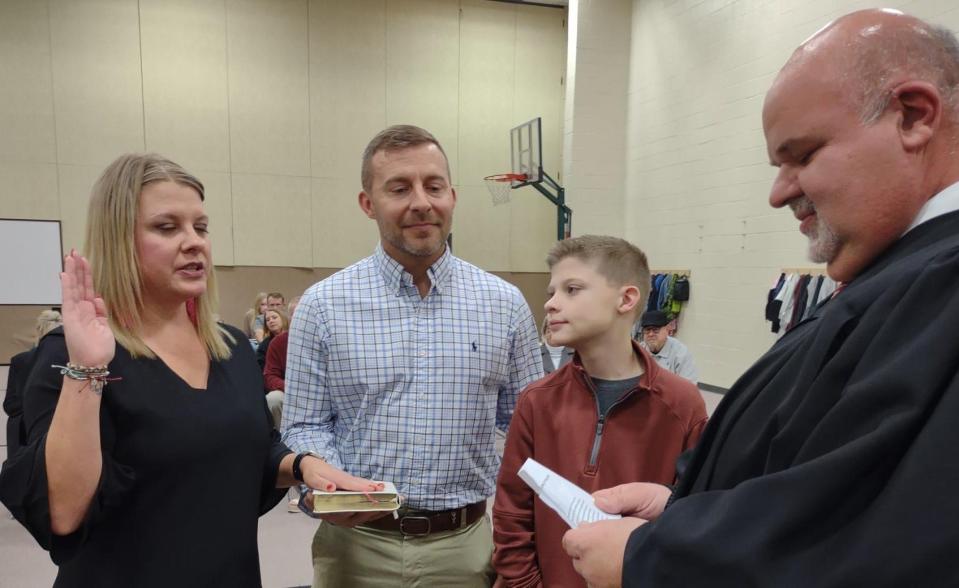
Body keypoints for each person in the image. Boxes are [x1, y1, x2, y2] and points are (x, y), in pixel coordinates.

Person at [561, 9, 959, 587]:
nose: (779, 193)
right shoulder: (899, 275)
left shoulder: (939, 286)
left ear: (914, 116)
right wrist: (683, 514)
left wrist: (654, 559)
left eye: (802, 155)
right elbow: (822, 488)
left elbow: (887, 543)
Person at [0, 153, 378, 588]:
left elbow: (245, 453)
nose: (194, 241)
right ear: (118, 239)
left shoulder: (230, 348)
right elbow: (64, 512)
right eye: (167, 227)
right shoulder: (70, 356)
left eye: (200, 227)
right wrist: (87, 367)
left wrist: (302, 466)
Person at [283, 124, 543, 587]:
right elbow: (304, 423)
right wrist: (330, 485)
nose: (421, 201)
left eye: (434, 185)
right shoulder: (323, 307)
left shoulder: (504, 305)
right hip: (355, 549)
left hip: (465, 547)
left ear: (453, 196)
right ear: (368, 204)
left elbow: (526, 425)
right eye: (399, 188)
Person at [492, 235, 707, 587]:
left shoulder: (683, 404)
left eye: (572, 289)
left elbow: (693, 516)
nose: (551, 304)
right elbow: (511, 515)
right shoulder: (537, 401)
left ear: (626, 299)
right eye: (551, 292)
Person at [4, 310, 62, 457]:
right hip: (48, 434)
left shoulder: (20, 360)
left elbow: (10, 404)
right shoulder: (65, 359)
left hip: (25, 437)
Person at [263, 296, 301, 429]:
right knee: (273, 399)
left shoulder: (324, 340)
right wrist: (289, 386)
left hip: (320, 393)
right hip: (289, 390)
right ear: (289, 318)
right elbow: (269, 377)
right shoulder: (277, 343)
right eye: (297, 314)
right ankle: (282, 442)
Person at [637, 310, 698, 383]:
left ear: (667, 329)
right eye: (647, 330)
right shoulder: (639, 350)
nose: (650, 334)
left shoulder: (681, 353)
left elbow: (689, 387)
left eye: (655, 330)